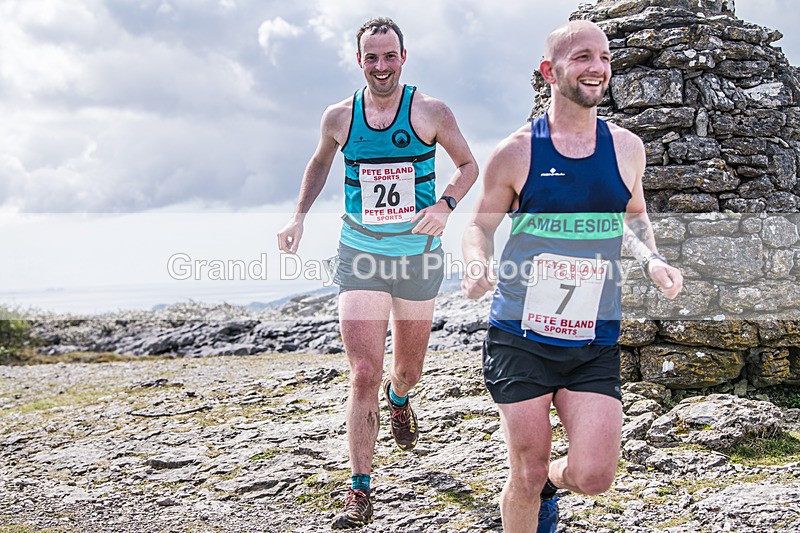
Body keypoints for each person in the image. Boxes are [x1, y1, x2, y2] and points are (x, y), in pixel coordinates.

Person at [461, 20, 683, 533]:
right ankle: (532, 488)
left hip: (593, 338)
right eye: (582, 56)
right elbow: (478, 227)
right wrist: (476, 263)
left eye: (603, 57)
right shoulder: (517, 151)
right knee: (525, 469)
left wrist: (652, 259)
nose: (597, 67)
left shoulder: (627, 148)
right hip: (521, 336)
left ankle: (549, 484)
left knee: (594, 475)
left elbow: (633, 218)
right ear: (549, 71)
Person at [277, 17, 477, 529]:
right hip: (360, 252)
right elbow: (319, 163)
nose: (381, 66)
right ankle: (360, 489)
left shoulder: (430, 111)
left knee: (407, 370)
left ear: (403, 58)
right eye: (372, 57)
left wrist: (446, 206)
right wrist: (298, 216)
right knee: (363, 372)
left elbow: (468, 166)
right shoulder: (339, 117)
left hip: (417, 255)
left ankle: (400, 398)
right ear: (359, 60)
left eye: (390, 56)